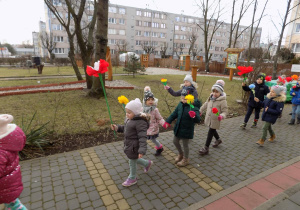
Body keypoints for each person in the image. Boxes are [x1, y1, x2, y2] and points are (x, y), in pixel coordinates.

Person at [111, 98, 153, 187]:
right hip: (129, 144)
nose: (127, 114)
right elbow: (126, 128)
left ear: (136, 113)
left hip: (135, 146)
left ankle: (132, 177)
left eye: (129, 112)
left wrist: (141, 150)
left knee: (132, 161)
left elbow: (142, 137)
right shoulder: (129, 119)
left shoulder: (140, 122)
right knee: (134, 159)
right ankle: (147, 163)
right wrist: (117, 128)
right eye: (126, 112)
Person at [163, 87, 201, 167]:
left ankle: (186, 159)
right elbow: (174, 113)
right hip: (179, 127)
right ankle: (180, 153)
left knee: (185, 145)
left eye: (185, 99)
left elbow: (198, 120)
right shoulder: (180, 104)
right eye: (182, 98)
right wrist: (168, 121)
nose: (183, 100)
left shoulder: (194, 107)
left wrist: (194, 116)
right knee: (175, 141)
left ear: (191, 99)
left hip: (187, 129)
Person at [0, 114, 27, 210]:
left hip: (3, 188)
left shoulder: (1, 152)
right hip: (9, 184)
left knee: (15, 206)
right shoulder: (8, 143)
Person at [199, 80, 228, 155]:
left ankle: (206, 148)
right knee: (212, 129)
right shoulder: (210, 97)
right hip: (209, 118)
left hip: (215, 119)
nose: (214, 93)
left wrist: (222, 116)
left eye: (217, 92)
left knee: (210, 132)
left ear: (220, 92)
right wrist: (201, 110)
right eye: (213, 91)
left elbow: (225, 111)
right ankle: (218, 139)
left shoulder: (222, 101)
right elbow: (206, 104)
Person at [143, 86, 166, 156]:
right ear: (145, 101)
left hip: (152, 128)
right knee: (141, 140)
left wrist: (164, 123)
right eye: (148, 99)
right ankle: (138, 151)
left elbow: (159, 118)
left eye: (152, 99)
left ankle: (160, 148)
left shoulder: (155, 110)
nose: (150, 101)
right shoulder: (142, 109)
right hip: (144, 128)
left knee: (153, 140)